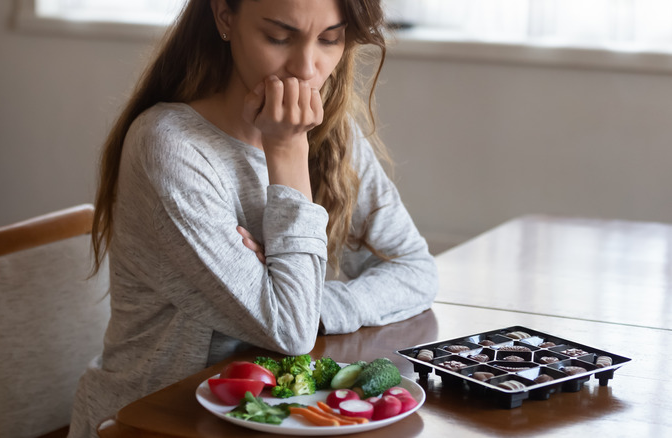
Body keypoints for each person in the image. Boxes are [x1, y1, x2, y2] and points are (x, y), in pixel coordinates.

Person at [68, 0, 438, 436]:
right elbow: (290, 333)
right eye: (279, 37)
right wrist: (286, 152)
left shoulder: (334, 130)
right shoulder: (169, 148)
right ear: (225, 16)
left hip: (277, 416)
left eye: (329, 39)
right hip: (154, 421)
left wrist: (312, 304)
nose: (305, 68)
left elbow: (415, 270)